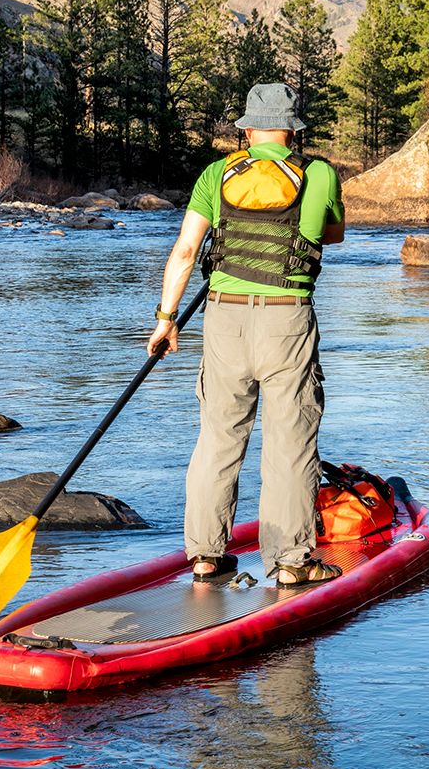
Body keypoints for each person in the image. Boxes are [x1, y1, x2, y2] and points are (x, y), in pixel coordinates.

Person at [146, 82, 346, 588]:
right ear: (292, 129)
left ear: (247, 128)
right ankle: (291, 562)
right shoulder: (319, 173)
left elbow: (186, 251)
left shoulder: (216, 174)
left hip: (223, 321)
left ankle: (206, 556)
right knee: (290, 443)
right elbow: (333, 233)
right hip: (287, 321)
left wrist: (166, 319)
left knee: (217, 439)